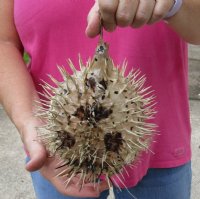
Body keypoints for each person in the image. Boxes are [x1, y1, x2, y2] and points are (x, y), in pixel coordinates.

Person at [0, 0, 199, 198]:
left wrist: (174, 4)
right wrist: (28, 120)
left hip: (160, 142)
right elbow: (3, 41)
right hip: (58, 153)